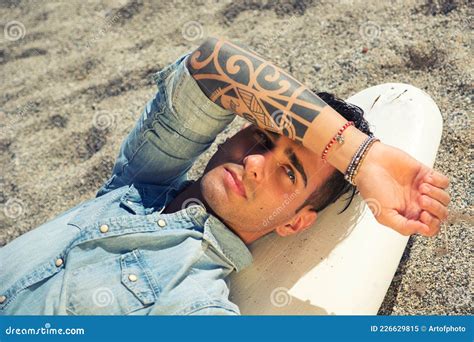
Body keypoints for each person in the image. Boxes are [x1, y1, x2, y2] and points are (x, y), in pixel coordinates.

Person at [0, 37, 450, 315]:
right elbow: (209, 64)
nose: (255, 163)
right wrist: (362, 157)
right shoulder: (139, 183)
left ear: (295, 222)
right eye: (262, 139)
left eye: (288, 173)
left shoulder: (192, 297)